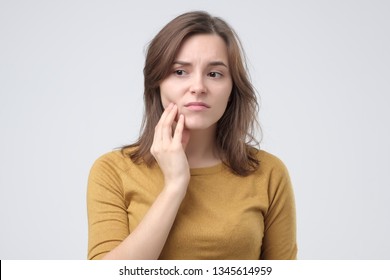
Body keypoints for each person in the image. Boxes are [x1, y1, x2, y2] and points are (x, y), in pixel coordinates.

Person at [87, 11, 297, 260]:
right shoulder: (112, 171)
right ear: (157, 84)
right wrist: (175, 186)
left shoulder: (269, 173)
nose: (198, 87)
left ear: (232, 88)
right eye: (180, 72)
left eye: (214, 74)